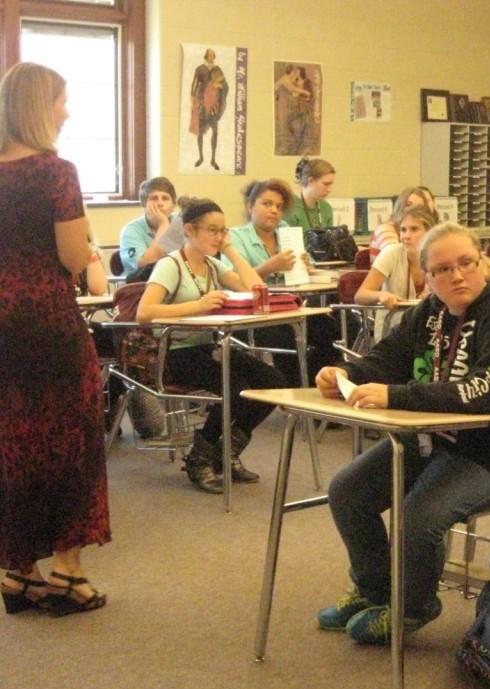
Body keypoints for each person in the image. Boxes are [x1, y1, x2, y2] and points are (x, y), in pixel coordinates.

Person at [314, 223, 490, 645]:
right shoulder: (429, 312)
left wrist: (399, 396)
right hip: (435, 439)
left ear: (483, 264)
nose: (457, 275)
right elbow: (387, 358)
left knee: (419, 515)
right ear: (427, 276)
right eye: (443, 269)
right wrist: (345, 374)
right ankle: (375, 591)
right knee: (347, 491)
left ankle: (413, 606)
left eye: (466, 263)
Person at [0, 62, 110, 616]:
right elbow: (72, 258)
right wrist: (86, 237)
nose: (68, 112)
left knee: (13, 440)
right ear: (41, 107)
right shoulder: (56, 172)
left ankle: (17, 570)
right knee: (71, 434)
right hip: (44, 318)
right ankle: (68, 573)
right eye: (63, 101)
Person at [136, 198, 286, 493]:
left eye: (223, 231)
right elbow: (145, 312)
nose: (219, 237)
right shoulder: (171, 265)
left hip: (206, 347)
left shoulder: (213, 264)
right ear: (190, 230)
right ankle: (200, 458)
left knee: (273, 381)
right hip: (175, 352)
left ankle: (225, 453)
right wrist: (197, 305)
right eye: (212, 231)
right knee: (234, 388)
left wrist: (230, 249)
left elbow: (256, 291)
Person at [229, 178, 338, 386]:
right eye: (267, 204)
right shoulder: (236, 237)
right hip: (253, 314)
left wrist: (305, 265)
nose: (274, 211)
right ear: (251, 206)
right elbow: (233, 280)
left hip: (288, 307)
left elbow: (303, 272)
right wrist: (270, 266)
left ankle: (316, 382)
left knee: (332, 328)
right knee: (286, 338)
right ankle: (295, 389)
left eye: (279, 207)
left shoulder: (286, 232)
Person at [355, 205, 437, 341]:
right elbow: (360, 296)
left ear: (429, 233)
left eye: (414, 229)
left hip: (428, 330)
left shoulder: (438, 256)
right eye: (403, 230)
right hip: (392, 331)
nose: (406, 236)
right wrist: (380, 295)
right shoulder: (391, 253)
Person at [118, 176, 179, 277]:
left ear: (173, 205)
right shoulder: (130, 231)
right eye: (154, 198)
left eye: (165, 198)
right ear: (144, 204)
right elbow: (144, 265)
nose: (160, 203)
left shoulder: (182, 223)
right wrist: (163, 224)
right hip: (141, 285)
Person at [189, 48, 228, 171]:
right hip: (203, 102)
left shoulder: (218, 70)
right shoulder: (200, 69)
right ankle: (201, 157)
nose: (211, 57)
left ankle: (213, 159)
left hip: (214, 104)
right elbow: (194, 84)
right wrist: (193, 100)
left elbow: (225, 85)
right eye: (209, 55)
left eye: (213, 55)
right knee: (201, 132)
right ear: (206, 56)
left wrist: (219, 86)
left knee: (215, 131)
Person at [369, 187, 430, 253]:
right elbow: (394, 255)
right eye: (408, 205)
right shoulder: (384, 229)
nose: (413, 210)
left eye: (419, 207)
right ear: (399, 206)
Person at [284, 157, 335, 232]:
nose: (329, 190)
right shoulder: (289, 208)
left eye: (331, 185)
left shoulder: (326, 208)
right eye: (326, 184)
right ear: (310, 181)